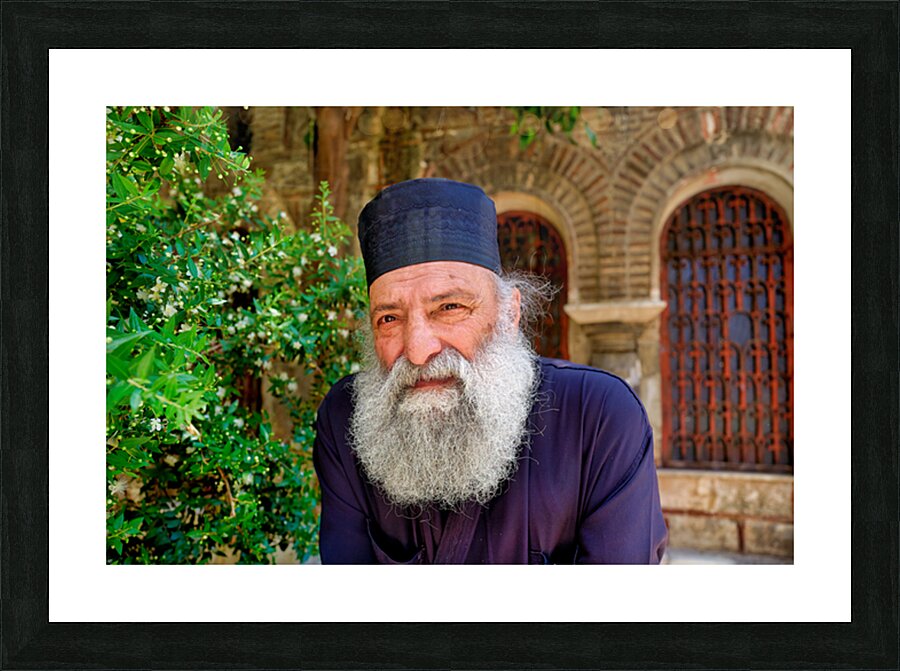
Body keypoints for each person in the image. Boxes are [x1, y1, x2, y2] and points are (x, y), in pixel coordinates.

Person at [313, 177, 668, 564]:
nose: (417, 351)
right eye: (389, 317)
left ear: (509, 313)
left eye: (449, 308)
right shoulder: (345, 420)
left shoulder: (599, 418)